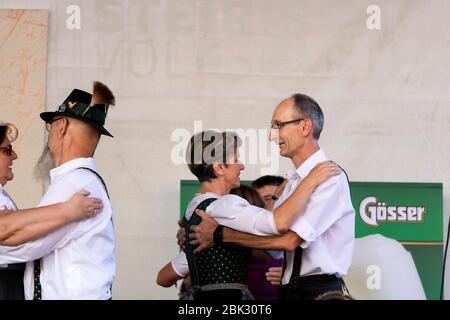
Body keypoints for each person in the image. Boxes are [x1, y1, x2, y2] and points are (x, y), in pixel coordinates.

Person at [185, 94, 355, 300]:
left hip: (319, 292)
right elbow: (268, 236)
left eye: (278, 125)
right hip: (290, 289)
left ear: (305, 127)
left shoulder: (329, 177)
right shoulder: (293, 180)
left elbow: (289, 240)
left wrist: (220, 235)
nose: (271, 136)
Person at [157, 130, 340, 300]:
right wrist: (309, 181)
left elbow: (163, 278)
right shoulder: (225, 205)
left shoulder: (194, 209)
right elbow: (277, 223)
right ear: (220, 167)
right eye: (236, 159)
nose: (242, 166)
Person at [0, 81, 116, 299]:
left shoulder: (74, 183)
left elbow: (24, 243)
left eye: (50, 125)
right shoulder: (79, 179)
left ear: (61, 126)